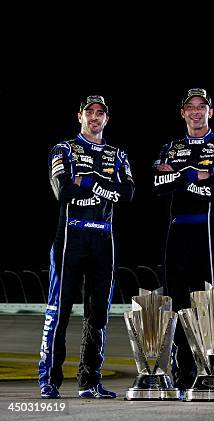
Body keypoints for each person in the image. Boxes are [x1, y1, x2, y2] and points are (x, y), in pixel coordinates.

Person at [39, 95, 135, 399]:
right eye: (89, 113)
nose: (95, 118)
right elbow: (63, 190)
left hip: (104, 238)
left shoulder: (117, 155)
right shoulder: (63, 148)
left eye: (100, 113)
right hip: (71, 236)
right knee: (60, 310)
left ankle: (90, 380)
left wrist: (90, 180)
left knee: (99, 314)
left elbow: (128, 194)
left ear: (107, 118)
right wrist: (104, 186)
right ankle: (49, 379)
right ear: (79, 116)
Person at [152, 88, 214, 391]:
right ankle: (185, 375)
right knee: (177, 305)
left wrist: (179, 175)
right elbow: (157, 184)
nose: (196, 111)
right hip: (176, 232)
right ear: (183, 112)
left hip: (210, 231)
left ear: (210, 112)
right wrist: (197, 175)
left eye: (202, 106)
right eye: (190, 107)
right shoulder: (170, 146)